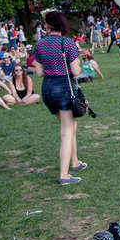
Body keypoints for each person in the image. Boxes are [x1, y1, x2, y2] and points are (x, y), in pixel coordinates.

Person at [32, 11, 87, 185]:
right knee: (66, 131)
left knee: (70, 126)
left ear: (47, 25)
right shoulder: (67, 43)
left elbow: (39, 73)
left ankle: (75, 161)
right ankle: (64, 174)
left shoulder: (39, 45)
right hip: (64, 87)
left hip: (47, 88)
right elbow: (76, 71)